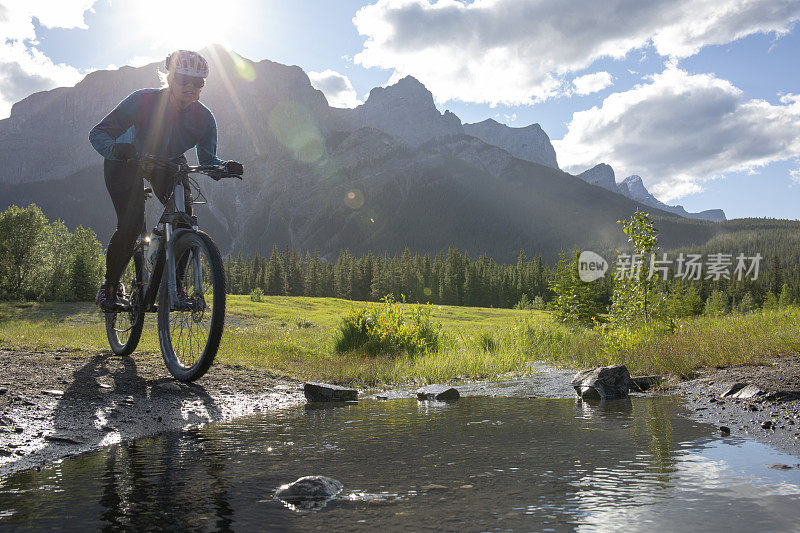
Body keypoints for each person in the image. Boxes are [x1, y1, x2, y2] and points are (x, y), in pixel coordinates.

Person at [89, 50, 243, 312]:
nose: (192, 87)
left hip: (167, 162)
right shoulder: (143, 101)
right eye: (185, 79)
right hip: (126, 160)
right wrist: (116, 149)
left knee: (184, 220)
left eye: (199, 82)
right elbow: (98, 133)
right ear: (171, 78)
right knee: (131, 224)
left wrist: (222, 167)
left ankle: (177, 288)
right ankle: (109, 288)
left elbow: (207, 157)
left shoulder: (204, 119)